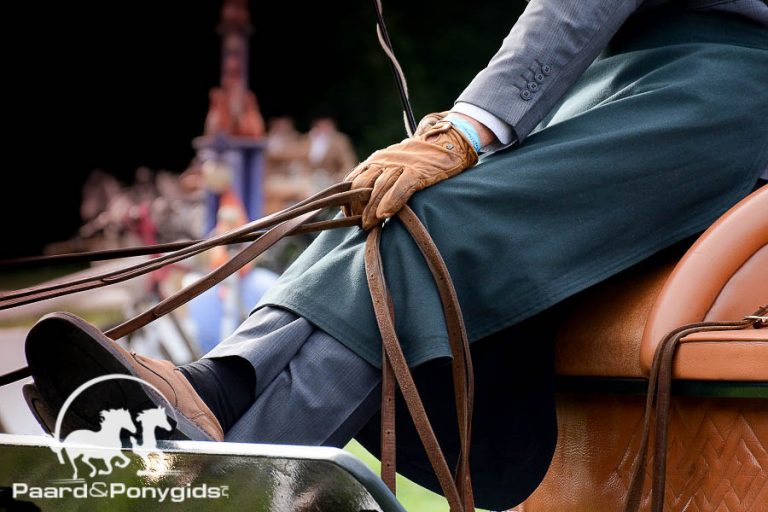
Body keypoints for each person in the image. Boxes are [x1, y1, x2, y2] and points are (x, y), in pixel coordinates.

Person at [25, 1, 767, 509]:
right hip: (620, 76)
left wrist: (471, 127)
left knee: (428, 216)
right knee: (386, 203)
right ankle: (215, 391)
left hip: (725, 93)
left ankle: (216, 468)